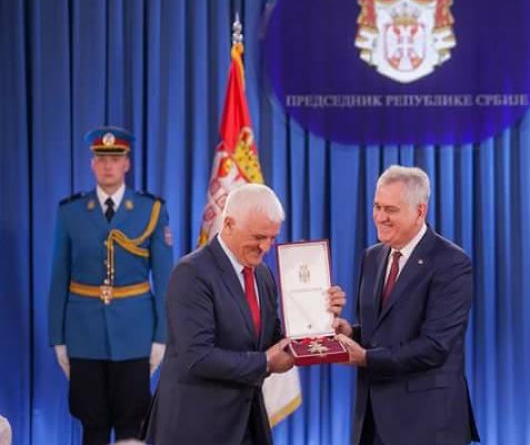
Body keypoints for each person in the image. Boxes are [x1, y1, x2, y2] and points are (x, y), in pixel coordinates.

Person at [143, 183, 345, 445]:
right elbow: (198, 356)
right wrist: (264, 363)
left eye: (272, 238)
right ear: (228, 224)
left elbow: (271, 340)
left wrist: (321, 322)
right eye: (259, 237)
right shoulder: (191, 273)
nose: (266, 247)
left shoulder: (262, 274)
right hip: (195, 426)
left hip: (247, 422)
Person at [335, 165, 480, 445]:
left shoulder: (451, 263)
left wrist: (365, 358)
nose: (380, 217)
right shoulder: (372, 257)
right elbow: (381, 331)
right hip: (372, 421)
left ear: (419, 211)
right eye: (377, 206)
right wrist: (350, 332)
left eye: (390, 210)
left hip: (427, 424)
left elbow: (435, 346)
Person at [48, 126, 173, 445]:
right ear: (92, 163)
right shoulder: (71, 212)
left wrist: (162, 336)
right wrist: (57, 338)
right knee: (92, 423)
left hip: (135, 334)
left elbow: (164, 278)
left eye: (115, 159)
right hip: (83, 333)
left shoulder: (151, 210)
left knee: (132, 423)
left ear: (127, 164)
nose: (108, 165)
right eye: (101, 158)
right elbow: (59, 276)